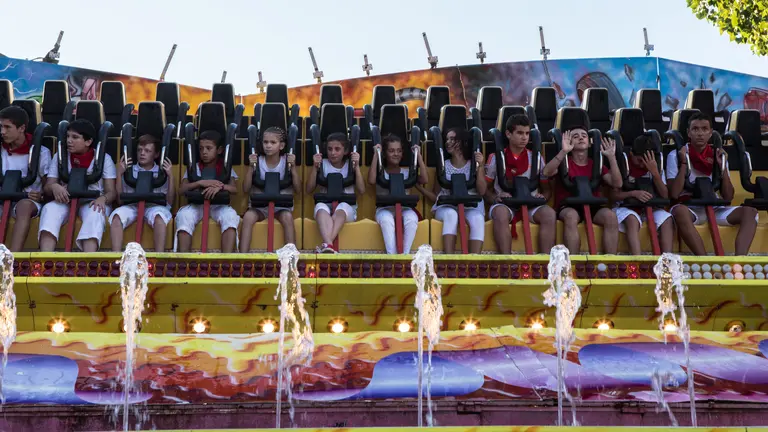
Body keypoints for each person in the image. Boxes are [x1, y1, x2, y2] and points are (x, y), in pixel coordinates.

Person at [667, 112, 758, 255]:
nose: (700, 134)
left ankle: (739, 261)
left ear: (710, 133)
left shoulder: (717, 154)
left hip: (714, 207)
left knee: (750, 212)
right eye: (695, 129)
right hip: (690, 208)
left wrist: (722, 168)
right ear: (688, 133)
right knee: (678, 211)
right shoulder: (675, 155)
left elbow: (728, 196)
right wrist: (684, 162)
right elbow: (673, 193)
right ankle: (703, 260)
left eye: (704, 129)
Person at [39, 119, 117, 252]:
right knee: (49, 209)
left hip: (92, 201)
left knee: (96, 213)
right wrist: (54, 187)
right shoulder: (60, 156)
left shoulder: (104, 158)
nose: (69, 140)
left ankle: (88, 261)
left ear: (88, 141)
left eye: (75, 137)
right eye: (68, 136)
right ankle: (46, 259)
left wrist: (103, 199)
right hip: (65, 201)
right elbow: (48, 186)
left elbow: (111, 192)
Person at [542, 125, 622, 254]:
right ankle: (573, 261)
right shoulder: (564, 162)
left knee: (610, 216)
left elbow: (617, 183)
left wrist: (611, 157)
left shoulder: (595, 164)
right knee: (571, 216)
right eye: (575, 136)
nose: (580, 138)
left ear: (589, 143)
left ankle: (610, 261)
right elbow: (546, 172)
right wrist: (563, 151)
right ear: (570, 142)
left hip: (592, 204)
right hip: (568, 205)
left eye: (584, 136)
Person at [484, 114, 556, 254]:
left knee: (549, 214)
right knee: (500, 213)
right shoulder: (496, 157)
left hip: (531, 204)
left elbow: (547, 189)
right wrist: (494, 198)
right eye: (520, 133)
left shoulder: (536, 157)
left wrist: (543, 197)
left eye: (527, 133)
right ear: (508, 134)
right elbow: (485, 189)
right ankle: (507, 262)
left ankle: (545, 261)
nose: (524, 137)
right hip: (506, 204)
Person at [418, 127, 486, 253]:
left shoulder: (473, 165)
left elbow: (482, 191)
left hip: (470, 206)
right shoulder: (444, 165)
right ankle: (449, 260)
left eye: (452, 139)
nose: (448, 142)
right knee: (451, 214)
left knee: (477, 218)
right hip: (447, 206)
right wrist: (418, 187)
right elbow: (436, 196)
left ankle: (473, 261)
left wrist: (480, 166)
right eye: (447, 139)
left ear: (462, 142)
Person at [175, 130, 239, 252]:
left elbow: (234, 189)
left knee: (230, 217)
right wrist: (199, 183)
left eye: (208, 148)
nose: (204, 152)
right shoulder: (194, 168)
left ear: (219, 150)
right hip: (196, 205)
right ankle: (184, 260)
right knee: (184, 216)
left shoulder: (225, 168)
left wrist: (220, 186)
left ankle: (226, 261)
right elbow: (181, 190)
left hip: (218, 206)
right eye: (201, 149)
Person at [239, 127, 301, 252]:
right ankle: (243, 256)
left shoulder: (286, 162)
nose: (268, 146)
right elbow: (245, 189)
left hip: (280, 207)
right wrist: (251, 167)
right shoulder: (258, 161)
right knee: (248, 217)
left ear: (281, 145)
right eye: (265, 142)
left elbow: (298, 189)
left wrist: (293, 168)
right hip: (260, 207)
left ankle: (291, 257)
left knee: (287, 217)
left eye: (273, 143)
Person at [609, 135, 673, 254]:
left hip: (651, 208)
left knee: (667, 219)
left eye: (646, 161)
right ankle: (638, 260)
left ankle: (667, 261)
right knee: (632, 219)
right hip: (626, 208)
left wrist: (655, 174)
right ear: (632, 154)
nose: (643, 165)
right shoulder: (623, 165)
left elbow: (665, 195)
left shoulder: (655, 166)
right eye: (639, 160)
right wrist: (633, 193)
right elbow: (613, 196)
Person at [109, 134, 174, 252]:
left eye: (147, 151)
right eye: (139, 150)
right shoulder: (129, 171)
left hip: (154, 207)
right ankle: (116, 256)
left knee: (159, 218)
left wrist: (171, 176)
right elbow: (120, 200)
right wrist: (119, 173)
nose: (142, 153)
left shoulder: (161, 173)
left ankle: (159, 257)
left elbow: (169, 201)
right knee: (117, 217)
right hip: (132, 206)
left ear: (156, 154)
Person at [0, 106, 51, 251]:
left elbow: (48, 186)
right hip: (2, 199)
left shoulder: (40, 152)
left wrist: (42, 195)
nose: (2, 132)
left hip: (29, 202)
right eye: (1, 127)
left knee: (24, 206)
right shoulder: (1, 150)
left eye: (7, 127)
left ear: (21, 128)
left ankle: (14, 258)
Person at [305, 132, 365, 253]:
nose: (333, 153)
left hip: (347, 207)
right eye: (330, 149)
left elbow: (362, 190)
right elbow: (309, 189)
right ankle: (329, 244)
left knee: (341, 207)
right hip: (325, 205)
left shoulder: (350, 165)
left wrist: (357, 167)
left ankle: (326, 244)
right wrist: (315, 167)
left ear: (346, 150)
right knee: (320, 207)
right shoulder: (323, 164)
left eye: (337, 149)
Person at [368, 133, 428, 254]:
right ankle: (392, 256)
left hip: (405, 208)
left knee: (412, 218)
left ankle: (404, 255)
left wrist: (418, 156)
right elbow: (371, 180)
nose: (396, 154)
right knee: (387, 220)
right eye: (391, 151)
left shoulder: (407, 172)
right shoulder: (381, 172)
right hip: (385, 209)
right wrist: (376, 154)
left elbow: (425, 180)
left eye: (399, 151)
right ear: (385, 154)